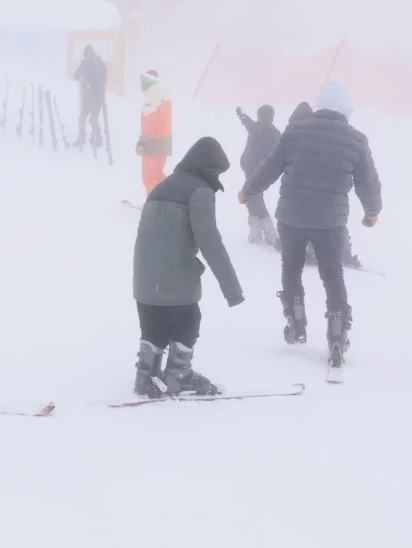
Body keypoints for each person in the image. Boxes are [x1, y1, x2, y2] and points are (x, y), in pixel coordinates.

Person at [239, 81, 382, 372]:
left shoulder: (295, 130)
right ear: (345, 110)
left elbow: (270, 167)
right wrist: (372, 212)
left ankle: (296, 324)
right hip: (329, 221)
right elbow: (368, 181)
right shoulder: (356, 140)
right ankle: (337, 337)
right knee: (332, 275)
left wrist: (248, 190)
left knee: (291, 267)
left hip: (292, 216)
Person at [132, 137, 243, 398]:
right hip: (175, 277)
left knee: (154, 323)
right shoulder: (199, 191)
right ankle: (178, 376)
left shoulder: (161, 187)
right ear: (208, 167)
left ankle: (146, 375)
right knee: (188, 320)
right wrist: (232, 289)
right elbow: (210, 241)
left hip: (144, 280)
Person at [235, 104, 281, 247]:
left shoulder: (258, 128)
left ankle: (270, 234)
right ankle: (255, 233)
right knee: (250, 197)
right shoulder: (276, 133)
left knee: (251, 196)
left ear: (260, 116)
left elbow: (250, 125)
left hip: (252, 169)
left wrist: (242, 116)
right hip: (264, 171)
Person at [136, 69, 172, 195]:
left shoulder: (152, 99)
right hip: (164, 143)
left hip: (153, 144)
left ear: (147, 83)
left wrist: (141, 143)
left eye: (142, 82)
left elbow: (150, 124)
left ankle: (156, 203)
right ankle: (169, 199)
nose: (140, 86)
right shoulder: (164, 97)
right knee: (158, 175)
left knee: (148, 178)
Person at [73, 45, 108, 149]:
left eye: (88, 57)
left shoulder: (100, 64)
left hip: (97, 97)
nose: (86, 58)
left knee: (93, 120)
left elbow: (101, 81)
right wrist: (83, 74)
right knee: (82, 117)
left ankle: (99, 140)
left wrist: (88, 77)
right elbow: (75, 76)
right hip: (87, 97)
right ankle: (81, 138)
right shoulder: (84, 64)